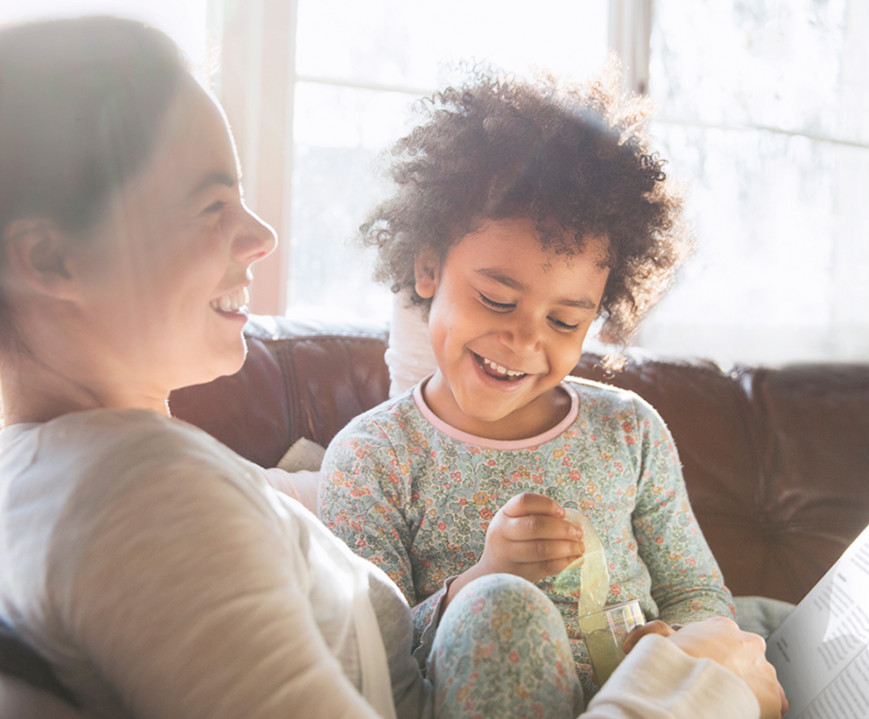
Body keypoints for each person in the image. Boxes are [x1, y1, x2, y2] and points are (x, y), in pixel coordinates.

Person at [0, 15, 785, 719]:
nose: (260, 233)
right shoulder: (141, 508)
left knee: (796, 623)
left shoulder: (99, 472)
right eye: (208, 205)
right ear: (51, 259)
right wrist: (705, 689)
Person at [318, 68, 743, 699]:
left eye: (566, 320)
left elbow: (699, 594)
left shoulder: (630, 430)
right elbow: (368, 656)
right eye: (495, 300)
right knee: (499, 607)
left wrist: (677, 643)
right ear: (429, 268)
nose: (524, 342)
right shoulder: (371, 458)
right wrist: (484, 578)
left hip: (640, 701)